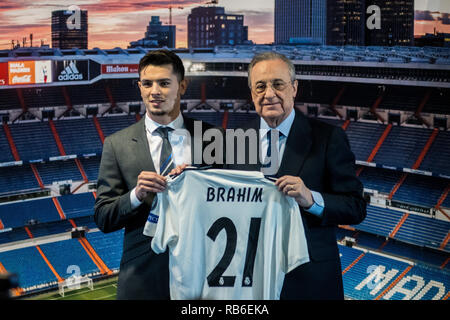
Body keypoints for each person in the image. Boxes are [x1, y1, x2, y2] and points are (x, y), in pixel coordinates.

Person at [227, 51, 367, 299]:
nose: (269, 94)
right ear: (252, 94)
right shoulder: (234, 139)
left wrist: (312, 200)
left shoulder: (327, 138)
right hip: (248, 280)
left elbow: (356, 207)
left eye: (278, 84)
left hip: (309, 282)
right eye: (260, 86)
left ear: (294, 88)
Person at [94, 49, 215, 299]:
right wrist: (136, 195)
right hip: (142, 280)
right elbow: (103, 217)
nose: (154, 91)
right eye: (147, 83)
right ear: (139, 87)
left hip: (203, 277)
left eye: (164, 83)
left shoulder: (214, 138)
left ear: (182, 86)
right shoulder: (117, 145)